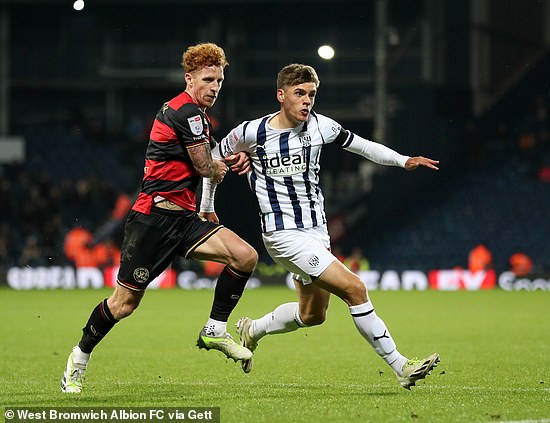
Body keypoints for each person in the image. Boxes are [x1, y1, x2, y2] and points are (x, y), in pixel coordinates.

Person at [201, 63, 440, 389]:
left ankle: (253, 329)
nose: (307, 101)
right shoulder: (251, 133)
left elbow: (365, 146)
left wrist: (403, 160)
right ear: (281, 95)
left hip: (316, 232)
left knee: (313, 315)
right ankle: (400, 366)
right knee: (355, 288)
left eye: (311, 94)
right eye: (299, 94)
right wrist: (208, 206)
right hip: (282, 234)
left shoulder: (321, 127)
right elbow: (211, 160)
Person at [61, 43, 258, 393]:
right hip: (152, 221)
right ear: (189, 78)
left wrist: (220, 172)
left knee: (245, 256)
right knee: (123, 305)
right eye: (208, 79)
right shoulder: (187, 113)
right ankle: (78, 358)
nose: (215, 87)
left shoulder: (196, 114)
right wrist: (225, 164)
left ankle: (214, 329)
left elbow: (205, 165)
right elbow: (203, 166)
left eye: (220, 80)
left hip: (184, 220)